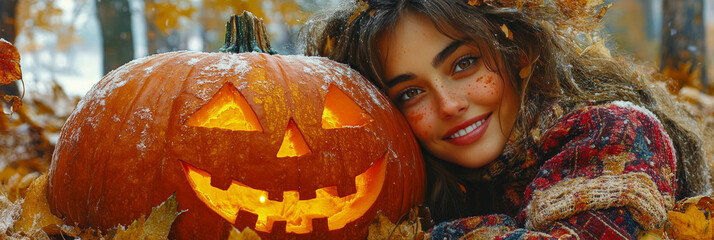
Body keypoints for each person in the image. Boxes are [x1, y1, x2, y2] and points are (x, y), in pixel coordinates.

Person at [301, 0, 712, 238]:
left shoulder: (617, 133)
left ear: (517, 53)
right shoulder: (434, 179)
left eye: (464, 64)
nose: (448, 104)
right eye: (410, 93)